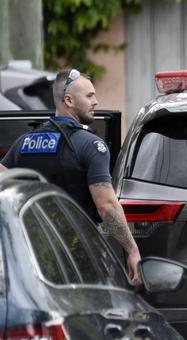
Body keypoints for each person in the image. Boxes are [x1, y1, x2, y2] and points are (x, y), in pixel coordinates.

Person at [0, 69, 142, 284]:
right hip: (79, 254)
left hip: (32, 255)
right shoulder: (90, 145)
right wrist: (131, 249)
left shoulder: (23, 143)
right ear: (69, 100)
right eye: (89, 96)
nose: (96, 101)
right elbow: (107, 206)